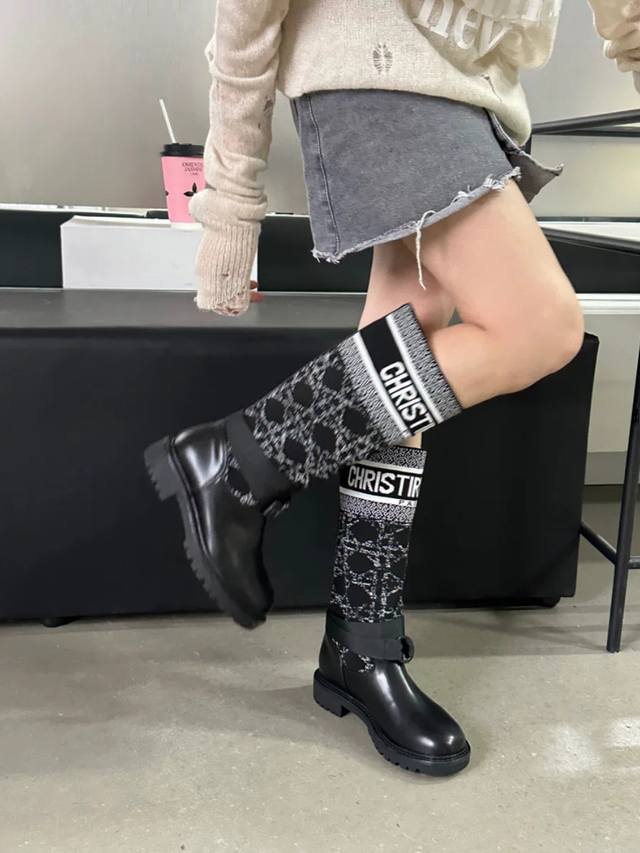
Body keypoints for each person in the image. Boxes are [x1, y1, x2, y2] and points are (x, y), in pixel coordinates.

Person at [145, 0, 640, 776]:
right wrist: (231, 202)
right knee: (542, 327)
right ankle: (240, 459)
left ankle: (360, 644)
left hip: (473, 89)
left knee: (400, 352)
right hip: (378, 63)